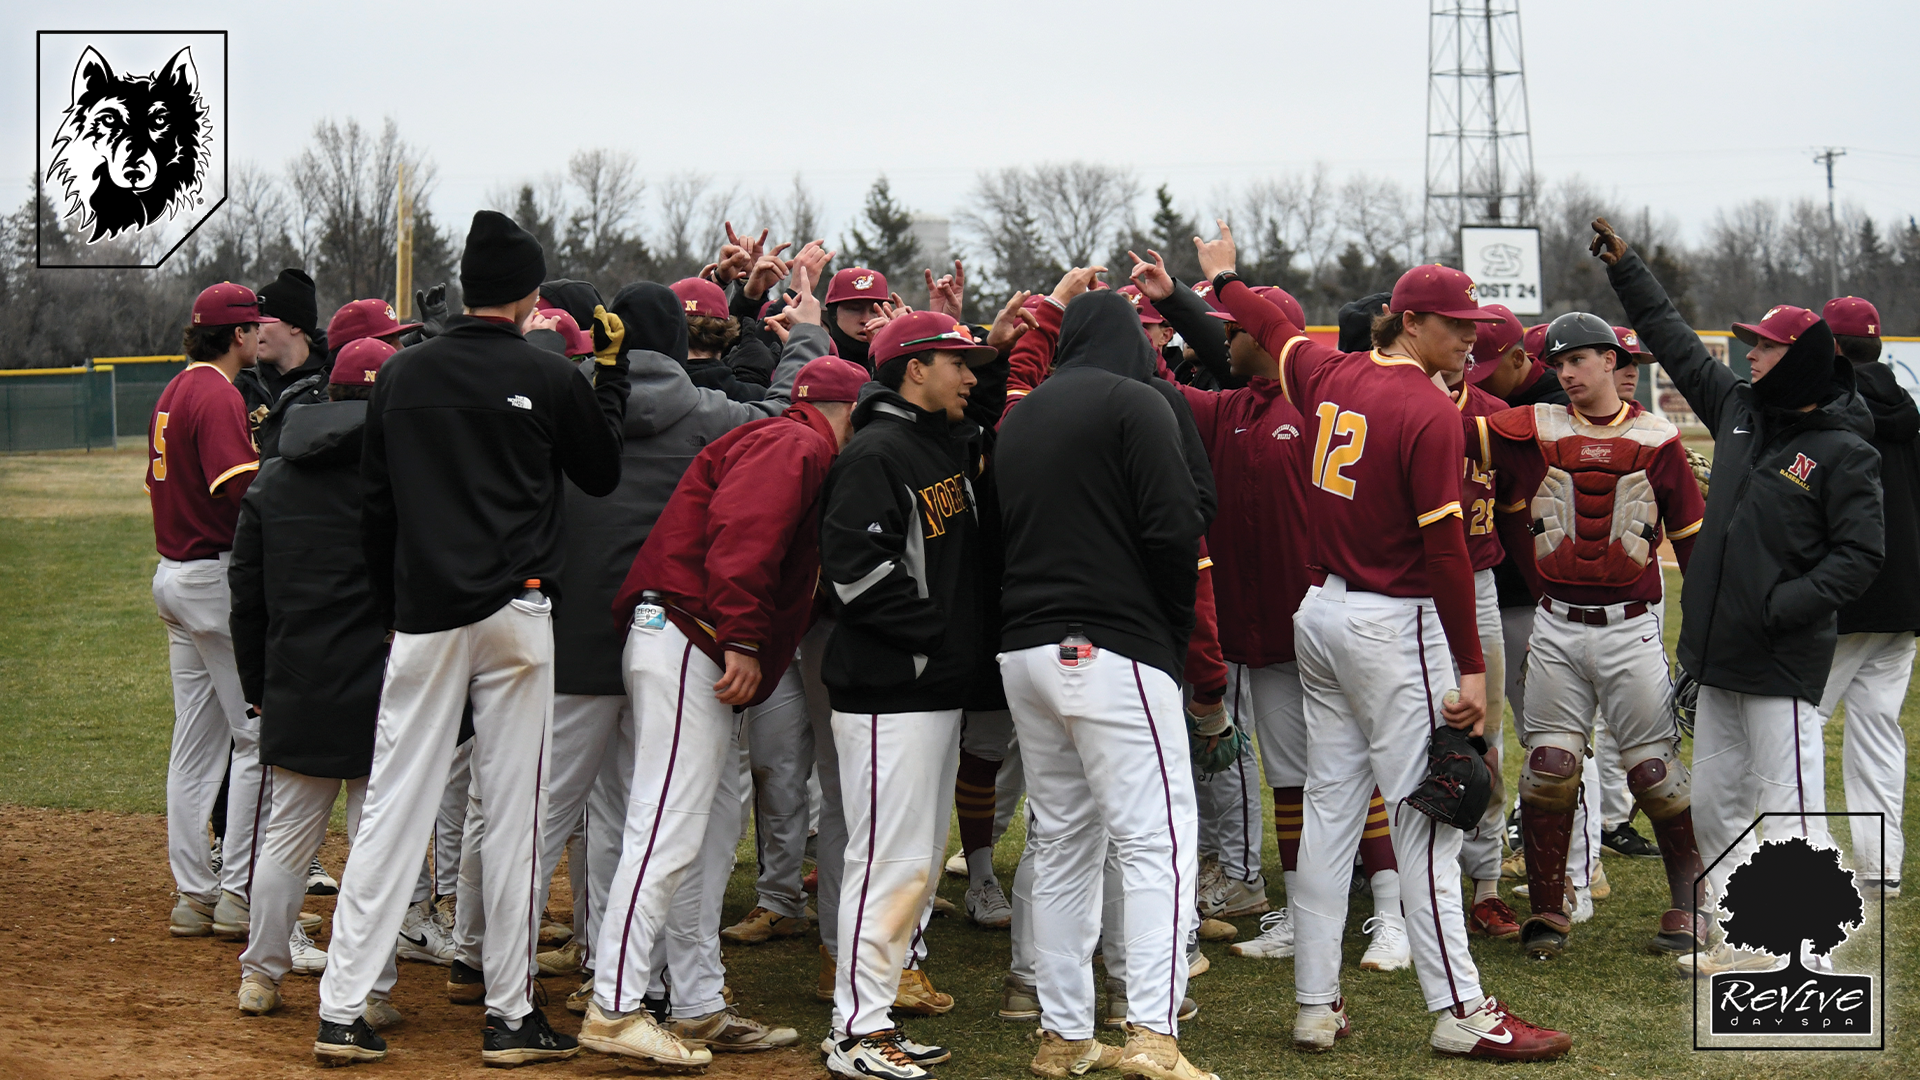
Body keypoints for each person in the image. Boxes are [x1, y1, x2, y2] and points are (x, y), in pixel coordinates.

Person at [1201, 223, 1570, 1062]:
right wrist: (1471, 667)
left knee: (1332, 814)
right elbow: (1445, 553)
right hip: (1390, 623)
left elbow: (1272, 330)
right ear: (1410, 323)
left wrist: (1221, 279)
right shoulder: (1425, 410)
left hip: (1321, 615)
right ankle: (1462, 1013)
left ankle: (1315, 1005)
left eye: (1475, 326)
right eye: (1456, 325)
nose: (1471, 338)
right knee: (1428, 823)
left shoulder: (1331, 373)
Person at [312, 209, 630, 1067]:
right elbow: (601, 472)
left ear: (463, 287)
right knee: (514, 815)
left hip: (423, 614)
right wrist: (609, 370)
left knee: (392, 807)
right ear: (530, 295)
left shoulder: (403, 375)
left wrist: (391, 604)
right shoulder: (548, 373)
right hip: (518, 617)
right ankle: (510, 1014)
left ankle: (342, 1008)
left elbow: (374, 508)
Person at [1590, 217, 1885, 976]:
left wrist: (1785, 608)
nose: (1747, 354)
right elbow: (1677, 342)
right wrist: (1629, 270)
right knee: (1717, 805)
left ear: (1803, 360)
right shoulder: (1741, 411)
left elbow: (1860, 557)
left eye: (1763, 345)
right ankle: (1743, 936)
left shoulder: (1845, 449)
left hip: (1781, 661)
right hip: (1717, 658)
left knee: (1790, 807)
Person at [535, 272, 832, 1020]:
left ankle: (496, 967)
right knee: (672, 823)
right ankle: (630, 995)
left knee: (565, 818)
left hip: (578, 632)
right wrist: (800, 336)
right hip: (685, 632)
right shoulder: (717, 414)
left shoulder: (571, 401)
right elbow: (782, 410)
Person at [577, 355, 867, 1069]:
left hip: (685, 635)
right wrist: (741, 636)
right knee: (667, 825)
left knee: (705, 832)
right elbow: (744, 533)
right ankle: (615, 1006)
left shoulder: (785, 437)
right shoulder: (796, 442)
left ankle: (698, 1000)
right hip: (692, 636)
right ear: (851, 411)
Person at [996, 287, 1214, 1080]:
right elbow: (1175, 527)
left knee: (1060, 843)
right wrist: (1165, 629)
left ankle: (1063, 1036)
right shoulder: (1135, 400)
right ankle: (1152, 1035)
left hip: (1024, 650)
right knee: (1156, 841)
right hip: (1115, 646)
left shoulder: (1023, 415)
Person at [1475, 311, 1708, 961]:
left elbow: (1693, 548)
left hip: (1629, 628)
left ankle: (1691, 903)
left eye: (1577, 360)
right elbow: (1445, 430)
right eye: (1557, 363)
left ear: (1611, 360)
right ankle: (1550, 906)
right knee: (1549, 768)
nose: (1566, 373)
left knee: (1655, 774)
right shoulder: (1529, 430)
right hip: (1555, 624)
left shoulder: (1658, 440)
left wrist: (1707, 641)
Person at [818, 311, 999, 1078]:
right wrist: (939, 641)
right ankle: (854, 1032)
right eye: (956, 363)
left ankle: (877, 1016)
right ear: (913, 369)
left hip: (927, 690)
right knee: (886, 861)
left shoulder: (931, 444)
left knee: (915, 863)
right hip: (890, 690)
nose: (970, 375)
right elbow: (855, 577)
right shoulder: (877, 452)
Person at [230, 339, 424, 1020]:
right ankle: (369, 990)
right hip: (382, 685)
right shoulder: (403, 479)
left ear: (330, 394)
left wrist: (258, 682)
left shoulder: (273, 478)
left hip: (297, 677)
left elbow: (246, 594)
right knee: (377, 843)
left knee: (288, 837)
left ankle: (261, 976)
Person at [152, 282, 271, 942]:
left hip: (172, 575)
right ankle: (237, 897)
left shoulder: (174, 391)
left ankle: (193, 894)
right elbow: (240, 494)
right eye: (252, 327)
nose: (259, 336)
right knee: (255, 737)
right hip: (211, 577)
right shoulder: (219, 393)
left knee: (196, 743)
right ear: (235, 337)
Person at [1815, 295, 1920, 898]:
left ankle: (1792, 859)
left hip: (1844, 598)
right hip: (1902, 604)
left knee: (1793, 730)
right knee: (1879, 733)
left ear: (1831, 348)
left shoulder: (1831, 411)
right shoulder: (1907, 409)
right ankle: (1882, 868)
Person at [237, 268, 325, 437]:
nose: (255, 329)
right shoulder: (242, 383)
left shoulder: (331, 384)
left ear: (295, 325)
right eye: (255, 322)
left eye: (264, 320)